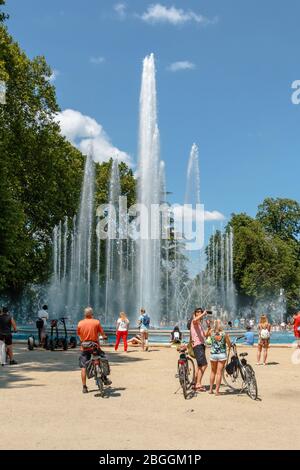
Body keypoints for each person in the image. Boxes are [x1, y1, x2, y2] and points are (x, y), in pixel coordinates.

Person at [77, 307, 111, 394]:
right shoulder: (96, 322)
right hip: (95, 346)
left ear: (85, 314)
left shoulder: (80, 323)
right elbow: (102, 333)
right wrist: (104, 337)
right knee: (104, 359)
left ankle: (84, 387)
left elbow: (79, 335)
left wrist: (83, 340)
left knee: (83, 367)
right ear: (92, 314)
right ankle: (105, 377)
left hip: (84, 347)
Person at [207, 319, 231, 395]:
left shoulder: (211, 333)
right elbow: (229, 344)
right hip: (222, 355)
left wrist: (209, 326)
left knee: (212, 372)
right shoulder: (224, 334)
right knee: (219, 373)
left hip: (213, 355)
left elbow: (207, 336)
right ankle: (217, 391)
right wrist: (229, 346)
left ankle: (210, 390)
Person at [188, 308, 209, 392]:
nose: (200, 313)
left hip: (201, 345)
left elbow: (205, 335)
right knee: (204, 365)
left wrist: (208, 326)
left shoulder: (199, 323)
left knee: (199, 366)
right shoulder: (194, 321)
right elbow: (195, 319)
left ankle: (194, 382)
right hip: (197, 345)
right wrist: (203, 314)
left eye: (201, 311)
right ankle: (198, 384)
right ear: (195, 313)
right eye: (198, 312)